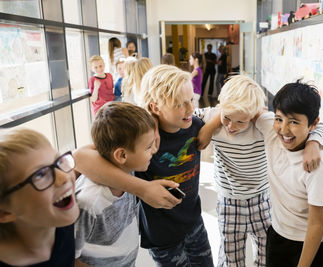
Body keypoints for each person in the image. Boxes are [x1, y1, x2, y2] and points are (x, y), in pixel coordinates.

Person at [74, 65, 214, 267]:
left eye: (191, 100)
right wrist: (142, 188)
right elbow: (80, 156)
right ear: (155, 107)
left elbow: (229, 108)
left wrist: (212, 124)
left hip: (193, 222)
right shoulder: (140, 140)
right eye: (180, 104)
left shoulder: (193, 123)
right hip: (162, 235)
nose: (190, 109)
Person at [195, 75, 323, 267]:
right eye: (226, 118)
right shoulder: (211, 117)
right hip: (229, 201)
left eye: (241, 122)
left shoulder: (265, 125)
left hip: (261, 200)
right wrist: (212, 123)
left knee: (264, 256)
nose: (231, 127)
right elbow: (180, 117)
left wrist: (314, 142)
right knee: (230, 258)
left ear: (254, 115)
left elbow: (322, 126)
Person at [255, 81, 323, 266]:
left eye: (293, 122)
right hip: (279, 231)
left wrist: (314, 141)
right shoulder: (271, 129)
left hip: (314, 241)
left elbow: (317, 225)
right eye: (279, 119)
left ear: (313, 124)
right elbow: (242, 107)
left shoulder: (316, 166)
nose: (283, 129)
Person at [74, 102, 157, 266]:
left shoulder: (129, 169)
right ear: (121, 155)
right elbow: (67, 256)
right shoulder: (88, 202)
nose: (154, 150)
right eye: (148, 147)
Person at [0, 128, 80, 266]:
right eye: (40, 174)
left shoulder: (60, 218)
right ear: (4, 212)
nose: (64, 177)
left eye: (59, 161)